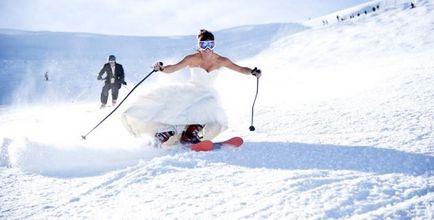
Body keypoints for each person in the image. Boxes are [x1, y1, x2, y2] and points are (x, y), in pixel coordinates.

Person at [121, 29, 261, 147]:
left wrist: (252, 72)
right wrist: (162, 68)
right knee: (188, 107)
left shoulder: (221, 60)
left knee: (210, 107)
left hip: (207, 91)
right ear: (199, 45)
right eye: (203, 44)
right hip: (193, 90)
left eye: (210, 44)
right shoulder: (192, 58)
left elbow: (241, 69)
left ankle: (191, 133)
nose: (207, 48)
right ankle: (169, 133)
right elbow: (173, 68)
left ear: (214, 45)